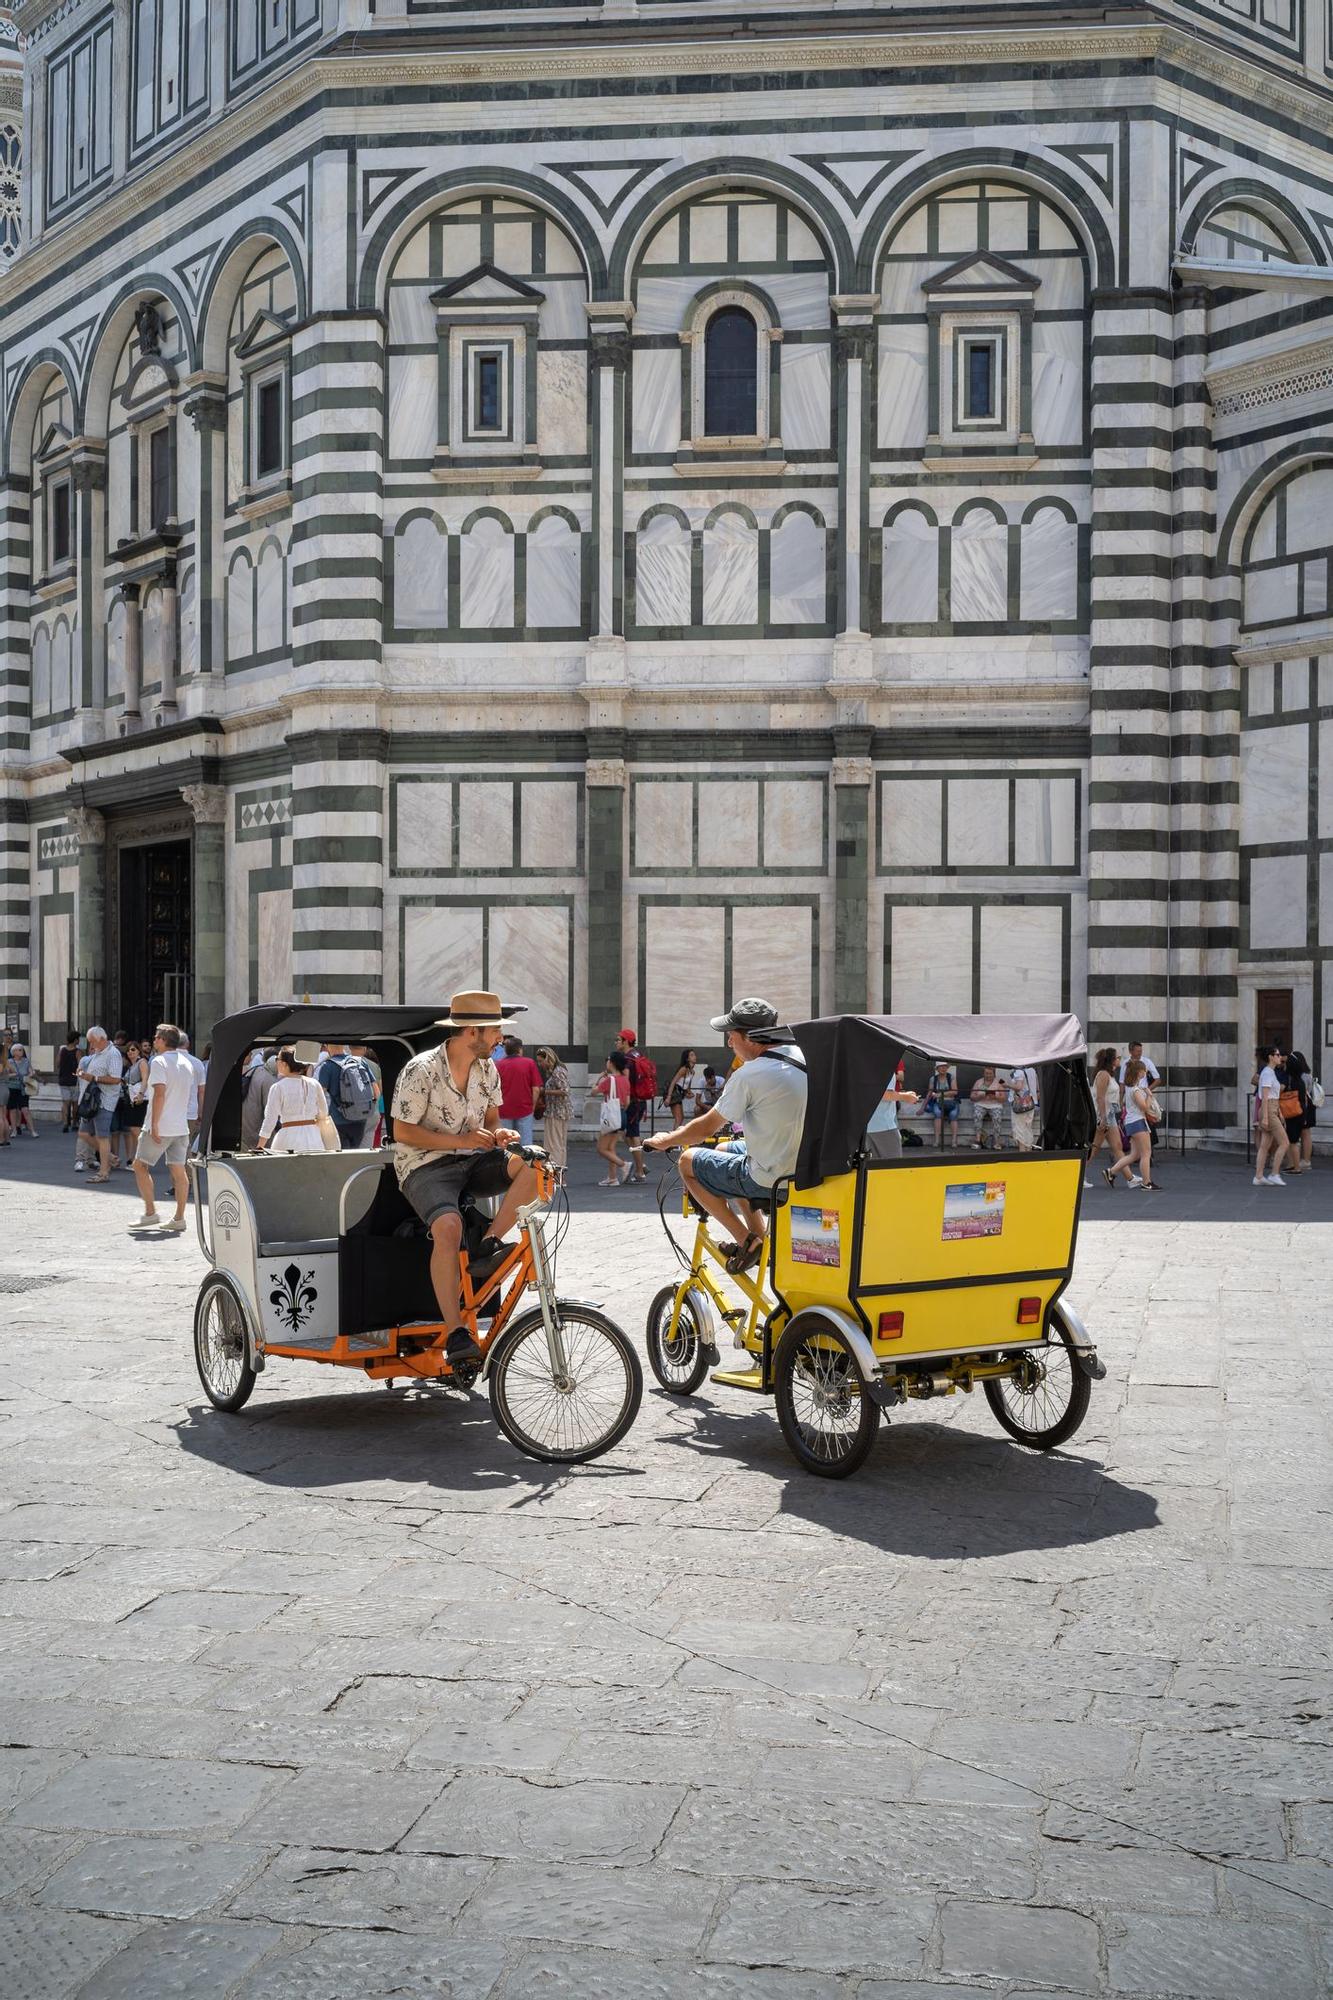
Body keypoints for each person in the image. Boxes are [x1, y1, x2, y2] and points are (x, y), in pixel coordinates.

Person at [389, 988, 542, 1370]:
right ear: (472, 1032)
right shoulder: (420, 1069)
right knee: (448, 1226)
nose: (500, 1039)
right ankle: (456, 1330)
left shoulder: (488, 1069)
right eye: (495, 1032)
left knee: (536, 1168)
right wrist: (459, 1141)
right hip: (424, 1165)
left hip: (471, 1159)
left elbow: (490, 1122)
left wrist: (499, 1135)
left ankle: (488, 1246)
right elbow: (402, 1132)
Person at [645, 997, 807, 1278]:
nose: (730, 1043)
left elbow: (706, 1127)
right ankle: (759, 1238)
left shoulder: (751, 1074)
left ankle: (745, 1239)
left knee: (687, 1162)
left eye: (732, 1036)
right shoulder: (803, 1058)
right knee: (725, 1148)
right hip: (801, 1168)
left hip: (771, 1177)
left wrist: (667, 1139)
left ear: (752, 1039)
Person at [129, 1023, 196, 1234]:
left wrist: (154, 1124)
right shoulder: (187, 1063)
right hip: (180, 1125)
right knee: (178, 1170)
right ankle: (179, 1217)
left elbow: (159, 1094)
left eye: (156, 1037)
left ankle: (150, 1212)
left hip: (162, 1124)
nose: (154, 1040)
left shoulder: (158, 1062)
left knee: (140, 1165)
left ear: (163, 1041)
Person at [257, 1048, 336, 1155]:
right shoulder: (314, 1084)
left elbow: (270, 1119)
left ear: (284, 1064)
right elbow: (323, 1112)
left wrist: (260, 1146)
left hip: (288, 1137)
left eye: (277, 1059)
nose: (276, 1061)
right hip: (313, 1136)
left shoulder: (278, 1087)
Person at [75, 1025, 124, 1182]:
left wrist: (93, 1078)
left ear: (102, 1039)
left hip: (104, 1101)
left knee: (102, 1137)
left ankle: (103, 1173)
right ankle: (109, 1157)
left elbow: (116, 1079)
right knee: (83, 1133)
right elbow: (92, 1070)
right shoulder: (97, 1053)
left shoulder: (113, 1054)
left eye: (92, 1042)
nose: (91, 1046)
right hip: (91, 1101)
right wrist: (83, 1072)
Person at [1104, 1059, 1158, 1191]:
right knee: (1146, 1153)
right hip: (1138, 1122)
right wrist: (1149, 1096)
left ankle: (1111, 1172)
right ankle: (1147, 1182)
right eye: (1144, 1070)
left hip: (1131, 1122)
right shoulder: (1136, 1090)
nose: (1145, 1072)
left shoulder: (1130, 1089)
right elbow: (1144, 1107)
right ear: (1139, 1072)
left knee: (1135, 1154)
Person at [317, 1040, 376, 1150]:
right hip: (360, 1119)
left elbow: (320, 1096)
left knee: (342, 1156)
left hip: (339, 1119)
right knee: (356, 1153)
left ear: (327, 1046)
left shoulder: (327, 1066)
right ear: (344, 1045)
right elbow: (376, 1092)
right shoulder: (360, 1062)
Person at [616, 1027, 657, 1181]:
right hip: (640, 1102)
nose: (616, 1043)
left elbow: (626, 1081)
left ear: (626, 1042)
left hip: (632, 1102)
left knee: (633, 1136)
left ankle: (640, 1171)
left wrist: (624, 1101)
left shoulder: (627, 1059)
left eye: (619, 1040)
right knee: (630, 1135)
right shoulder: (638, 1055)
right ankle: (642, 1165)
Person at [494, 1034, 545, 1148]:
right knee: (525, 1147)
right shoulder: (529, 1063)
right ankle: (524, 1166)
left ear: (506, 1050)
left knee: (505, 1146)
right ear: (520, 1049)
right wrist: (533, 1106)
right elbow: (536, 1089)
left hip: (503, 1109)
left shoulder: (498, 1065)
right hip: (525, 1109)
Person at [1086, 1047, 1126, 1184]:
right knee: (1095, 1147)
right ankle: (1080, 1176)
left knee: (1117, 1146)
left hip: (1109, 1114)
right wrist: (1102, 1117)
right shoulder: (1103, 1075)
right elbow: (1100, 1098)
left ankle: (1130, 1178)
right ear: (1112, 1060)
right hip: (1104, 1115)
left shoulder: (1109, 1075)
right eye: (1117, 1057)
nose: (1119, 1059)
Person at [593, 1051, 632, 1185]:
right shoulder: (625, 1080)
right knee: (611, 1148)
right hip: (622, 1114)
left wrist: (599, 1078)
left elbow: (593, 1092)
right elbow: (627, 1101)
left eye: (608, 1060)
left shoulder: (610, 1080)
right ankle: (612, 1178)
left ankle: (624, 1164)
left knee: (601, 1148)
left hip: (611, 1116)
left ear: (612, 1063)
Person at [1251, 1044, 1287, 1187]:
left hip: (1272, 1109)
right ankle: (1274, 1173)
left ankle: (1259, 1176)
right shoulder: (1267, 1073)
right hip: (1268, 1110)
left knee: (1265, 1145)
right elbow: (1265, 1097)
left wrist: (1280, 1112)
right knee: (1284, 1143)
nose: (1280, 1057)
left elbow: (1273, 1096)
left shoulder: (1270, 1072)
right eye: (1277, 1055)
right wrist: (1265, 1117)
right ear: (1271, 1057)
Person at [865, 1070, 919, 1158]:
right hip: (883, 1126)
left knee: (873, 1168)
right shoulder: (885, 1068)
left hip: (866, 1126)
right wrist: (906, 1097)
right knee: (893, 1167)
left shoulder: (864, 1067)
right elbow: (884, 1094)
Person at [534, 1046, 571, 1170]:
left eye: (541, 1061)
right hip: (558, 1111)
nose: (539, 1064)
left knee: (554, 1144)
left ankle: (555, 1172)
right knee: (559, 1144)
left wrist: (545, 1091)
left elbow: (564, 1091)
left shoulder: (557, 1071)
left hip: (556, 1111)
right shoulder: (558, 1070)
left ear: (548, 1058)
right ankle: (559, 1172)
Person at [240, 1047, 278, 1152]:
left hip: (244, 1126)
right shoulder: (269, 1079)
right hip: (257, 1131)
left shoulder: (254, 1070)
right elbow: (271, 1111)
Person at [1279, 1051, 1309, 1177]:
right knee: (1293, 1140)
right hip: (1300, 1112)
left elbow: (1278, 1092)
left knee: (1293, 1141)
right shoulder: (1300, 1081)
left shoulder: (1289, 1080)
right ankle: (1292, 1165)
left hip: (1292, 1114)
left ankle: (1296, 1168)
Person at [120, 1040, 151, 1165]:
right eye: (128, 1050)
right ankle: (135, 1158)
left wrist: (141, 1094)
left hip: (140, 1100)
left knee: (136, 1130)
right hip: (131, 1100)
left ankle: (142, 1159)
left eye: (133, 1049)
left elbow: (145, 1079)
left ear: (138, 1050)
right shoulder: (130, 1066)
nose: (130, 1052)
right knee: (133, 1130)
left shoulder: (142, 1062)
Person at [1290, 1049, 1318, 1175]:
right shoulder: (1308, 1075)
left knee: (1304, 1133)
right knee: (1306, 1134)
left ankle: (1305, 1160)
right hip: (1308, 1106)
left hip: (1303, 1105)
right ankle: (1305, 1160)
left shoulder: (1301, 1076)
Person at [923, 1060, 960, 1148]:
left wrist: (940, 1094)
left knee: (953, 1115)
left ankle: (954, 1140)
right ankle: (936, 1140)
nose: (943, 1068)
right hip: (938, 1102)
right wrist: (923, 1106)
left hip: (952, 1102)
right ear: (937, 1069)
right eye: (941, 1066)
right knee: (937, 1113)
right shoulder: (933, 1079)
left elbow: (955, 1092)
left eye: (945, 1066)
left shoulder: (951, 1077)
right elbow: (929, 1092)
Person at [970, 1066, 1007, 1151]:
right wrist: (979, 1096)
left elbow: (1004, 1098)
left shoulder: (999, 1081)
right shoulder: (978, 1082)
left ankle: (996, 1141)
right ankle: (978, 1140)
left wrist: (995, 1096)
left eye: (990, 1073)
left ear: (994, 1073)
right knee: (977, 1115)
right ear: (983, 1073)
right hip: (981, 1104)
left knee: (997, 1117)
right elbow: (971, 1097)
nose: (988, 1075)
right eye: (986, 1073)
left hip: (995, 1105)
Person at [1006, 1064, 1040, 1151]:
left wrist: (1007, 1085)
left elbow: (1018, 1087)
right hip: (1031, 1103)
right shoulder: (1032, 1070)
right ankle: (1028, 1149)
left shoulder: (1019, 1072)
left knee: (1019, 1127)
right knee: (1028, 1127)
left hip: (1020, 1104)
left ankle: (1022, 1151)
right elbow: (1037, 1088)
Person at [180, 1032, 207, 1141]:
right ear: (187, 1044)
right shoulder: (197, 1063)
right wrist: (200, 1112)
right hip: (191, 1111)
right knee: (186, 1144)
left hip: (170, 1112)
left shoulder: (164, 1061)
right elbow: (201, 1091)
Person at [666, 1050, 698, 1128]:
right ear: (687, 1059)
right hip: (674, 1093)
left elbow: (687, 1087)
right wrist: (668, 1097)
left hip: (679, 1094)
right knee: (679, 1118)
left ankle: (674, 1137)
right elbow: (673, 1082)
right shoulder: (684, 1069)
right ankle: (674, 1138)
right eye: (692, 1055)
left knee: (680, 1118)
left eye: (694, 1055)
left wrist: (689, 1093)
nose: (695, 1057)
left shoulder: (692, 1072)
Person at [57, 1030, 80, 1133]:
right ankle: (74, 1123)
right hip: (74, 1080)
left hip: (63, 1080)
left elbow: (57, 1064)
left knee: (65, 1103)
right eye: (78, 1039)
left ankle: (65, 1123)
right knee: (75, 1103)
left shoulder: (62, 1050)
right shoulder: (78, 1052)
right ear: (75, 1040)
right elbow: (81, 1066)